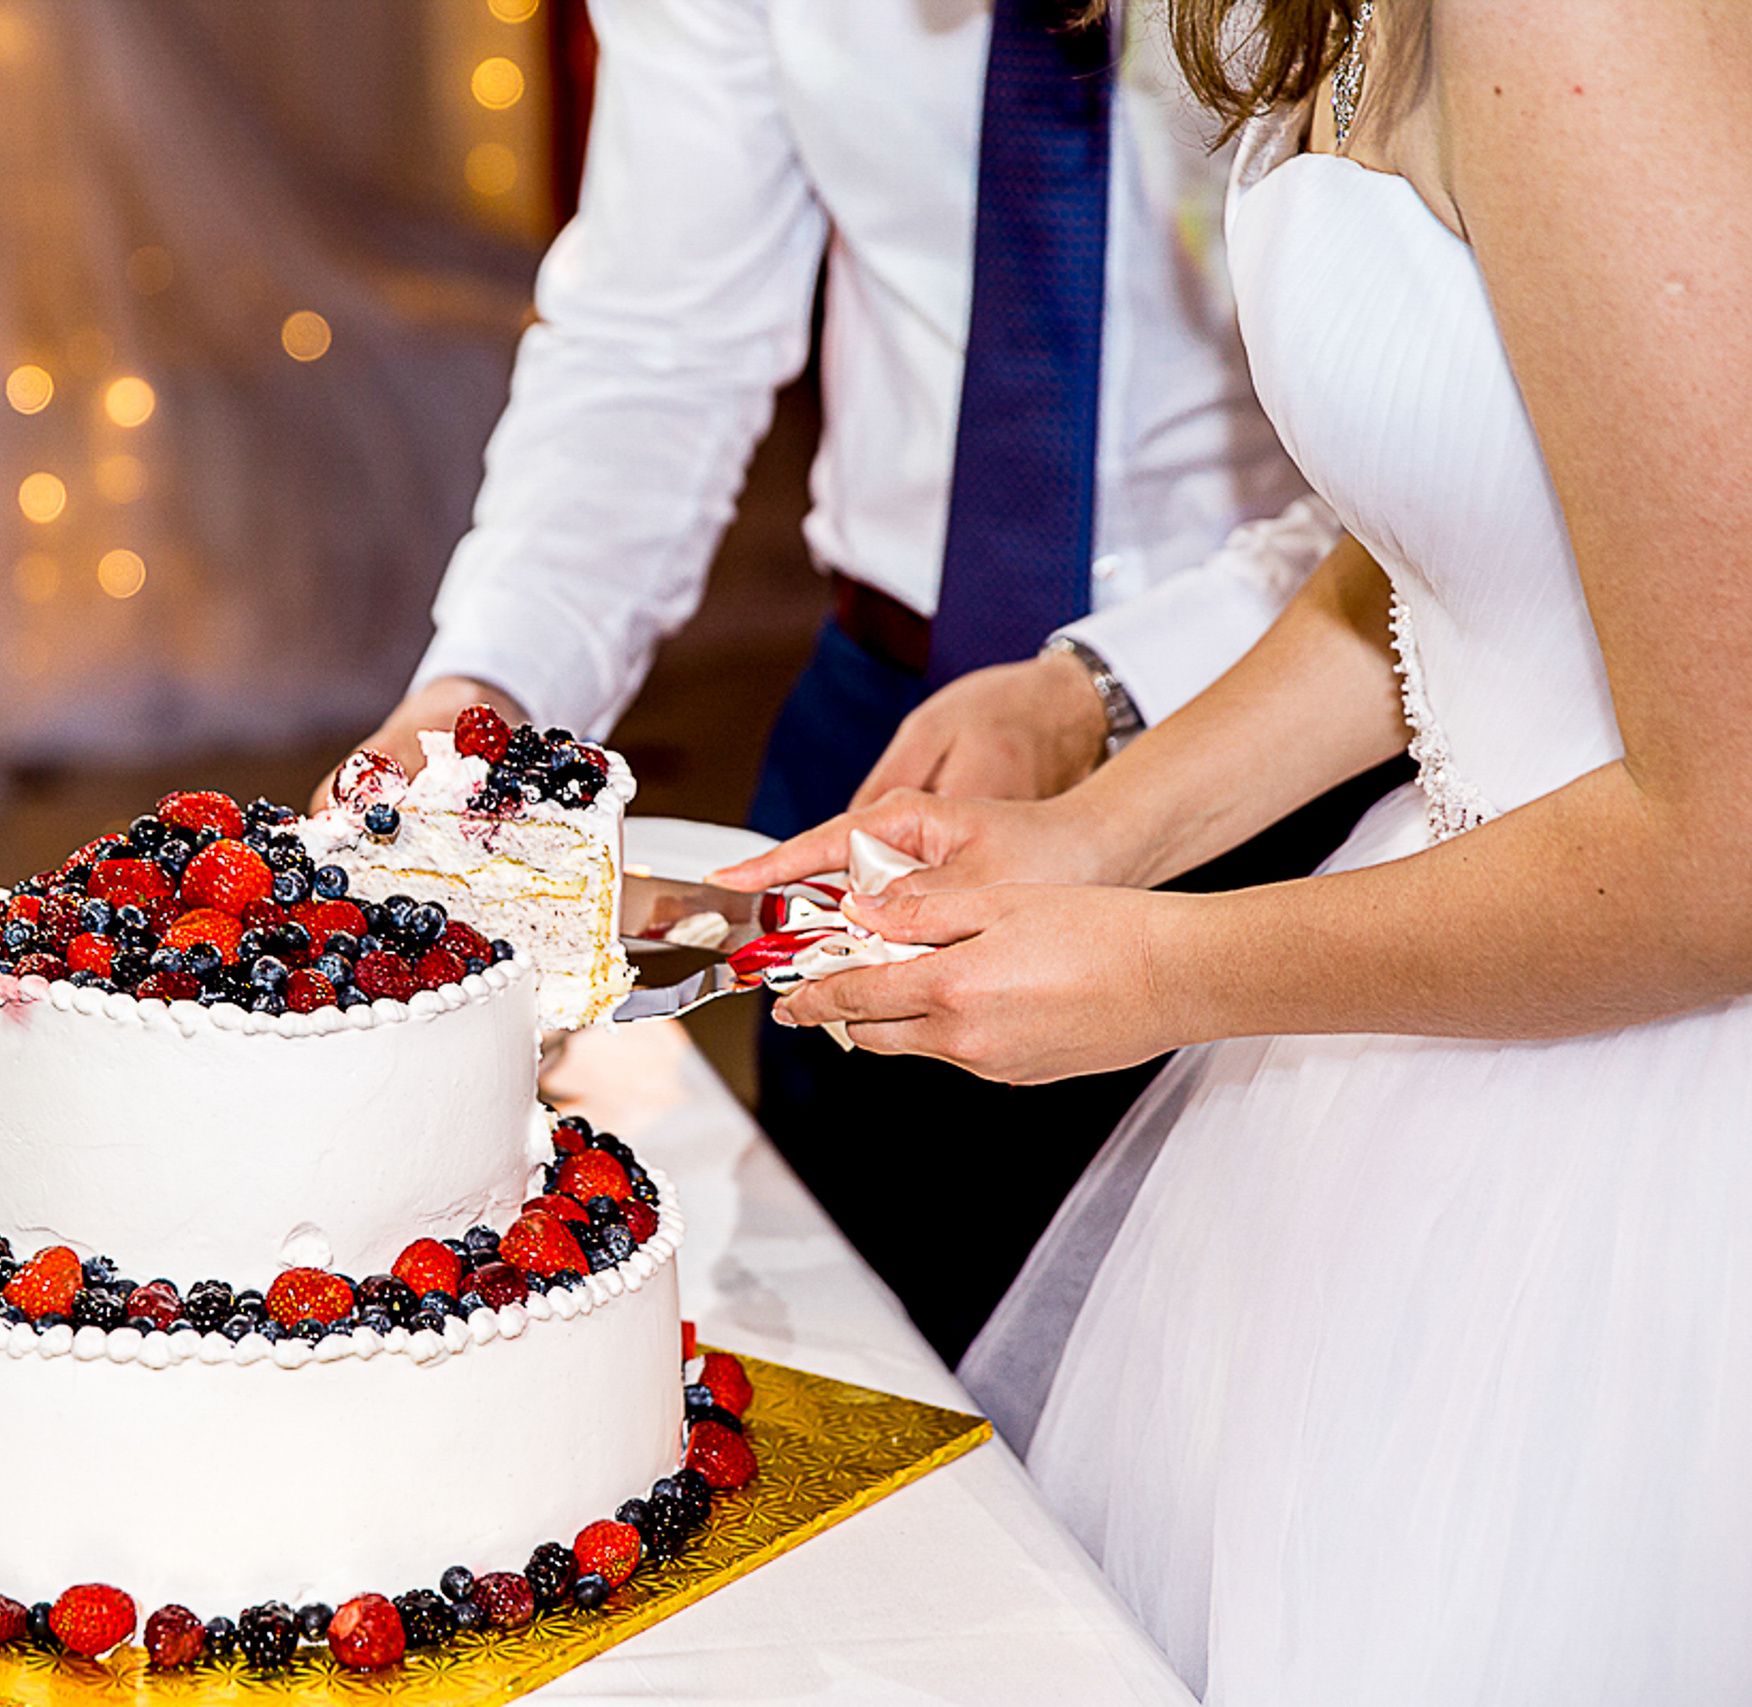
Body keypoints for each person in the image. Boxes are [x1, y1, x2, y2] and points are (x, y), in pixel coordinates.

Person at [725, 0, 1752, 1695]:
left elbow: (1726, 850)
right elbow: (1455, 537)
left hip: (1659, 1105)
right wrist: (1083, 837)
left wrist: (1168, 966)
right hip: (1437, 1019)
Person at [324, 0, 1377, 1360]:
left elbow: (1447, 461)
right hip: (877, 751)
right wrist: (486, 703)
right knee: (868, 1373)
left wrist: (1098, 686)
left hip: (1296, 741)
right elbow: (656, 338)